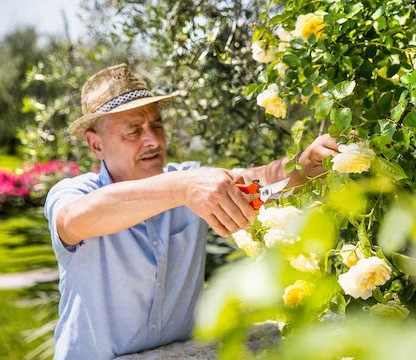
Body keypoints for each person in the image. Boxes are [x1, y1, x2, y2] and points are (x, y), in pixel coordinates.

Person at [45, 63, 340, 359]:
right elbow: (73, 220)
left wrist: (304, 164)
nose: (153, 141)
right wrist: (180, 189)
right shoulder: (75, 192)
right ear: (96, 145)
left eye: (156, 126)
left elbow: (252, 181)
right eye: (134, 131)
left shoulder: (190, 181)